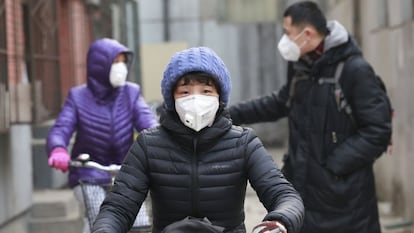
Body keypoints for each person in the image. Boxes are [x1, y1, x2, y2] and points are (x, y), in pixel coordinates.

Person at [91, 46, 304, 233]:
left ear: (220, 97)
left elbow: (284, 195)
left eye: (206, 91)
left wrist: (280, 220)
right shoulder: (148, 145)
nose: (195, 99)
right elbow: (119, 207)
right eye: (184, 91)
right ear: (171, 98)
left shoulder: (244, 142)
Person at [228, 1, 392, 233]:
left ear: (307, 33)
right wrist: (229, 113)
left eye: (287, 33)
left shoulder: (354, 70)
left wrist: (333, 166)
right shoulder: (300, 65)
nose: (284, 40)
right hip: (304, 191)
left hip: (345, 200)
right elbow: (281, 102)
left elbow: (378, 131)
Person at [47, 38, 159, 232]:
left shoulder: (131, 93)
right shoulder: (78, 96)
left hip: (127, 172)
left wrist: (160, 142)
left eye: (124, 62)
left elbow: (147, 122)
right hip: (88, 173)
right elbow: (61, 127)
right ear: (100, 65)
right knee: (100, 219)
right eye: (115, 62)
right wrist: (58, 148)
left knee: (139, 223)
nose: (121, 67)